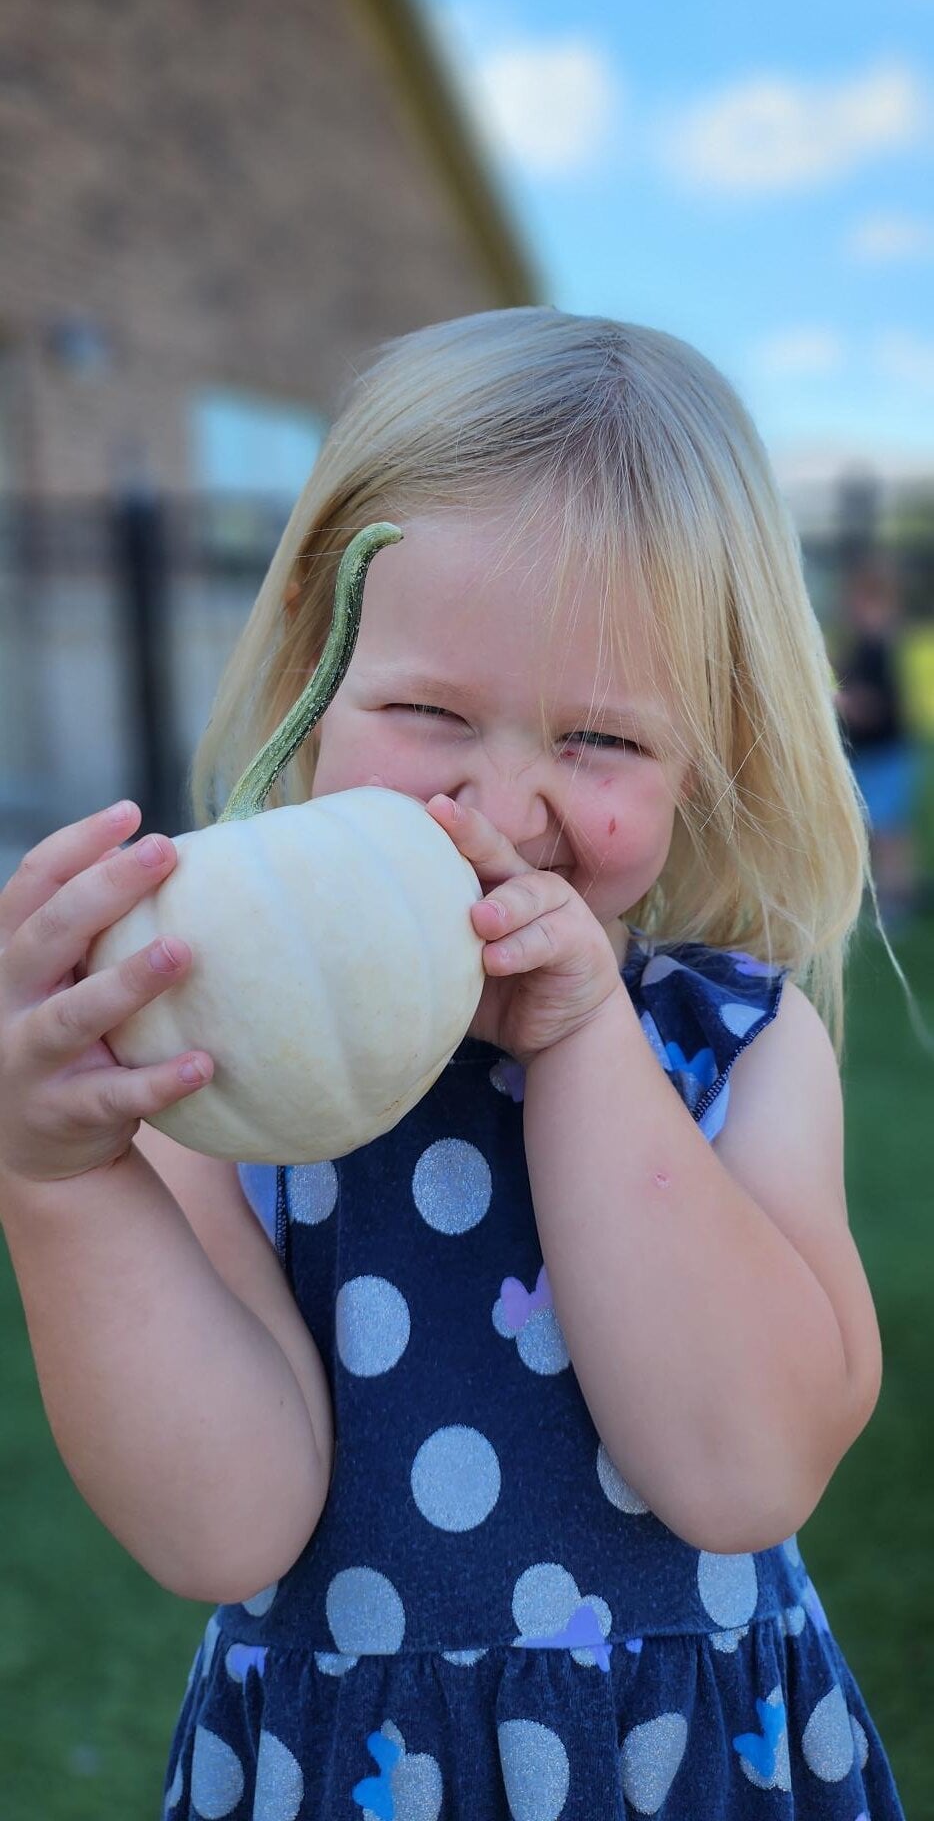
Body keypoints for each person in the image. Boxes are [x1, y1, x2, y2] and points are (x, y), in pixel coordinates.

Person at [0, 310, 905, 1819]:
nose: (501, 800)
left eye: (600, 741)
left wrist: (583, 1044)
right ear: (316, 670)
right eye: (427, 714)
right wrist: (60, 1177)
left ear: (704, 753)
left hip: (684, 1764)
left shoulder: (735, 1045)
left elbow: (743, 1471)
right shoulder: (204, 1062)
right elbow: (224, 1525)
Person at [833, 556, 920, 933]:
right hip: (871, 754)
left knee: (888, 831)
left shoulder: (878, 648)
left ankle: (896, 901)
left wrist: (837, 701)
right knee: (870, 828)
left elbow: (872, 706)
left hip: (884, 754)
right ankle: (880, 897)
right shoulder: (866, 645)